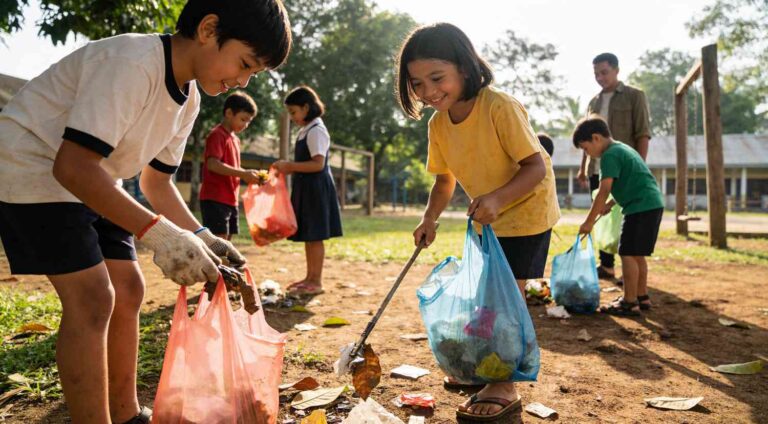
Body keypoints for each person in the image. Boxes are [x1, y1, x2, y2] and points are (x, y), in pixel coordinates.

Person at [0, 0, 291, 422]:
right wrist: (161, 235)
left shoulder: (189, 99)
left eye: (253, 74)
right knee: (93, 297)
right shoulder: (134, 62)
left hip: (94, 176)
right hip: (32, 163)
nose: (241, 80)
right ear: (209, 29)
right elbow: (71, 166)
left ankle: (125, 412)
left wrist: (200, 235)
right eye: (244, 64)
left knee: (130, 288)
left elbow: (157, 183)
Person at [395, 23, 560, 421]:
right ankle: (487, 365)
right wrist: (429, 219)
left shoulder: (498, 106)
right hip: (489, 217)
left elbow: (535, 165)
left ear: (465, 69)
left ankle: (505, 380)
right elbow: (443, 179)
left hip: (526, 211)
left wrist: (500, 198)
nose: (429, 90)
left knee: (508, 296)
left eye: (437, 78)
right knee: (488, 295)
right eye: (417, 83)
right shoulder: (437, 124)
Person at [574, 117, 663, 316]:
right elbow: (630, 180)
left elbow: (604, 189)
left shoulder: (609, 156)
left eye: (585, 148)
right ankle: (642, 297)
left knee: (627, 254)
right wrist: (609, 205)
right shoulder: (623, 148)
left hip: (639, 206)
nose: (587, 154)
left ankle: (629, 302)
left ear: (595, 138)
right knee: (637, 254)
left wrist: (588, 222)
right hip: (652, 203)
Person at [578, 52, 651, 282]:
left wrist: (638, 167)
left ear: (617, 70)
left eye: (604, 72)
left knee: (623, 218)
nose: (600, 77)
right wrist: (583, 168)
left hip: (622, 168)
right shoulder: (593, 102)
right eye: (596, 74)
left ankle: (628, 266)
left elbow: (643, 134)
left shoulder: (634, 96)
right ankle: (606, 265)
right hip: (596, 167)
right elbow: (584, 139)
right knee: (601, 214)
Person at [273, 86, 342, 296]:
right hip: (306, 187)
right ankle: (309, 277)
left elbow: (318, 164)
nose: (293, 117)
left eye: (294, 112)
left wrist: (290, 166)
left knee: (316, 236)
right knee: (309, 234)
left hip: (316, 189)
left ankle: (317, 281)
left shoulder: (317, 130)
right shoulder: (307, 129)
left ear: (306, 107)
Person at [200, 91, 262, 241]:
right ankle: (214, 265)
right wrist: (243, 174)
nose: (245, 125)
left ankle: (224, 265)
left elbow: (233, 168)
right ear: (229, 113)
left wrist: (249, 175)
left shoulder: (235, 139)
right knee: (218, 244)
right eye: (243, 119)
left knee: (227, 243)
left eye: (249, 121)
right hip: (215, 198)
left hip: (230, 199)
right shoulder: (217, 135)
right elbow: (213, 164)